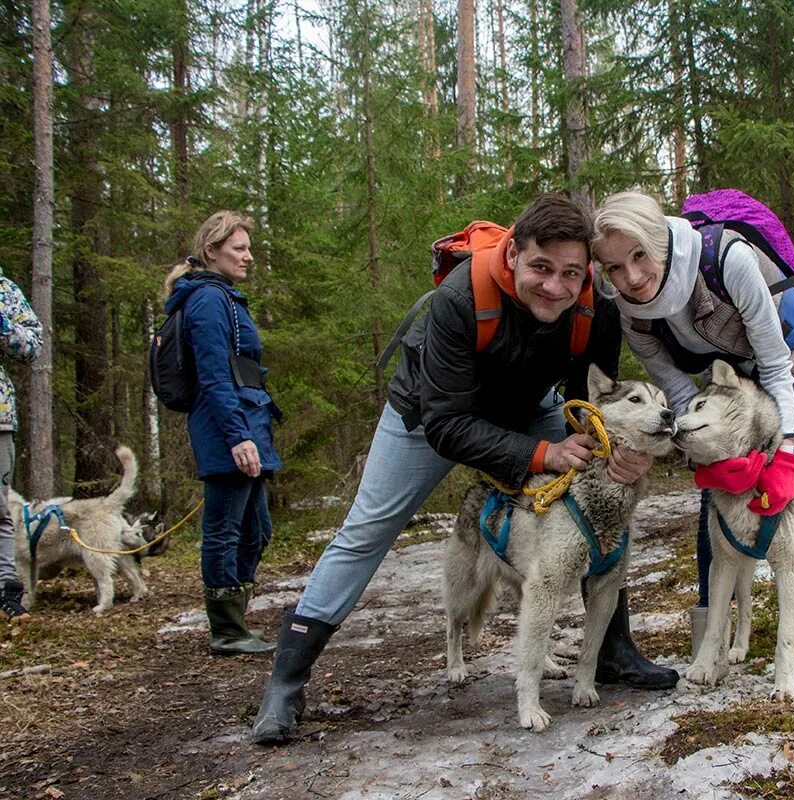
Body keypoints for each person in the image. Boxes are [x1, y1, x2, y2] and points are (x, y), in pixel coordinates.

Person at [252, 194, 678, 746]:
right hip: (430, 413)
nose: (555, 286)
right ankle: (287, 681)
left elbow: (587, 400)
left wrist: (610, 447)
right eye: (541, 268)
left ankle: (613, 651)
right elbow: (448, 426)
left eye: (572, 273)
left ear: (589, 271)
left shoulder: (597, 306)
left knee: (594, 513)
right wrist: (543, 456)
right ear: (513, 253)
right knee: (367, 530)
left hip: (527, 407)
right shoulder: (459, 298)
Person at [592, 190, 794, 690]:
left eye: (639, 255)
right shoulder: (633, 314)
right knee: (717, 491)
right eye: (615, 268)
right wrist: (704, 449)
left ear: (660, 239)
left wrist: (786, 446)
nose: (632, 277)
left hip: (793, 358)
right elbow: (682, 389)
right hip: (728, 379)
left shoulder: (727, 259)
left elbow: (773, 362)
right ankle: (713, 645)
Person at [163, 211, 282, 654]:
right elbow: (214, 375)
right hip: (226, 426)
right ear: (212, 251)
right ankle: (227, 629)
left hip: (245, 419)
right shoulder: (208, 301)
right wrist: (237, 436)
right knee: (225, 528)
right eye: (239, 248)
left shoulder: (223, 297)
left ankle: (235, 616)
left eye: (248, 248)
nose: (248, 257)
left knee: (256, 529)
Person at [0, 269, 43, 622]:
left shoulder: (4, 289)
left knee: (0, 510)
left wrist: (3, 326)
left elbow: (32, 345)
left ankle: (5, 594)